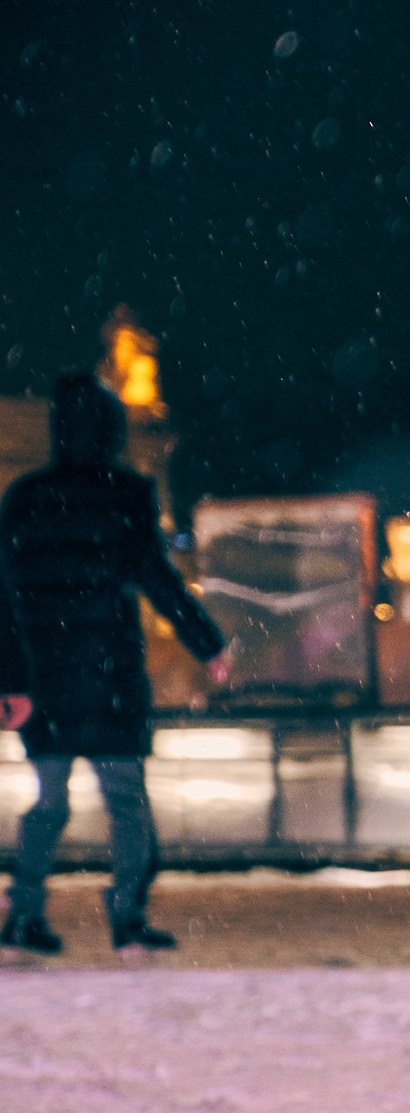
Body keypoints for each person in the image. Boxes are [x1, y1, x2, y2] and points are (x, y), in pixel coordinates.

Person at [0, 373, 229, 958]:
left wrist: (11, 680)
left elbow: (3, 597)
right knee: (126, 799)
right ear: (111, 430)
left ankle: (25, 916)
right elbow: (159, 578)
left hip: (42, 678)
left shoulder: (23, 497)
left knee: (49, 803)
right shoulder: (126, 494)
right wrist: (208, 644)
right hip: (108, 676)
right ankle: (127, 915)